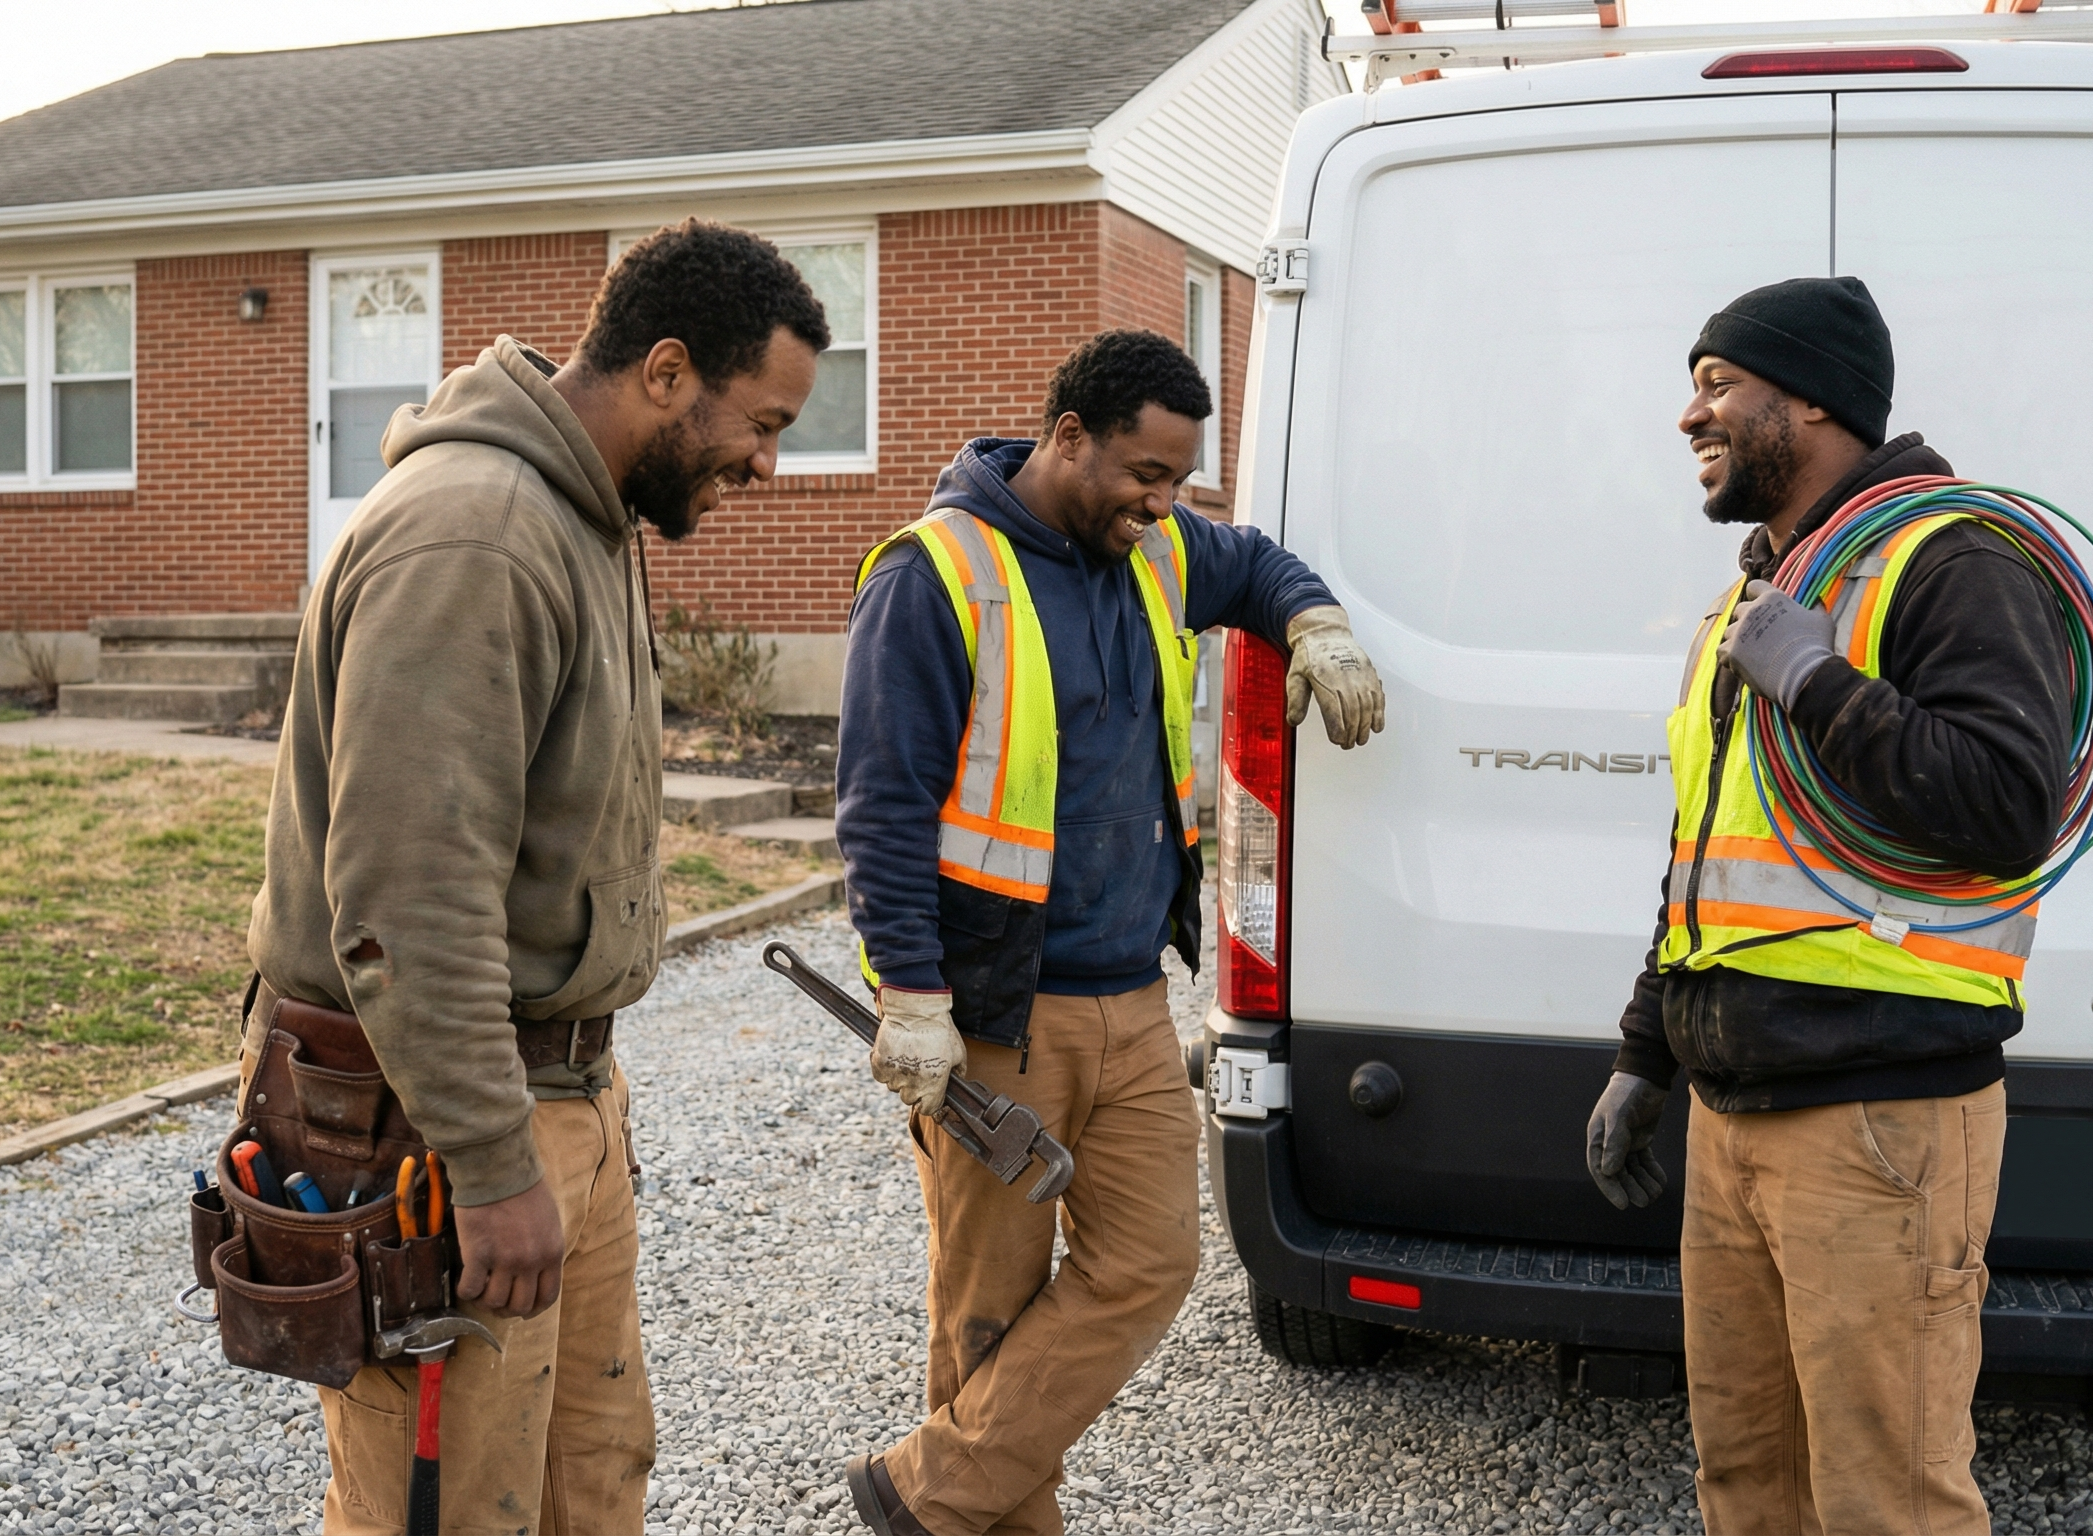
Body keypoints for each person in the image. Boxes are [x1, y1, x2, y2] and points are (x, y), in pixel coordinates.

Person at [245, 219, 829, 1534]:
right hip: (441, 1113)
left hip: (557, 1083)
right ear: (666, 372)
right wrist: (495, 1160)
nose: (771, 461)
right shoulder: (480, 534)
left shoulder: (587, 514)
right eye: (763, 420)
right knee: (449, 1512)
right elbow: (408, 894)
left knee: (587, 1476)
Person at [834, 329, 1385, 1536]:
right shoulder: (937, 575)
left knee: (1150, 1261)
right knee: (989, 1306)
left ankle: (922, 1495)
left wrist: (1314, 623)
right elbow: (879, 803)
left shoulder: (1155, 553)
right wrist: (910, 994)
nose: (1162, 504)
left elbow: (1252, 562)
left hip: (1131, 999)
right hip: (994, 1012)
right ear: (1066, 436)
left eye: (1178, 482)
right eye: (1144, 474)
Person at [1584, 276, 2071, 1535]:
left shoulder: (1950, 555)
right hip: (1733, 1115)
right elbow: (1707, 853)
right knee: (1748, 1482)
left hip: (1879, 1119)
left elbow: (2009, 802)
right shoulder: (1759, 589)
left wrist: (1812, 677)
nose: (1685, 415)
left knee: (1885, 1501)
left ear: (1805, 400)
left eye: (1713, 384)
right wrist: (1645, 1053)